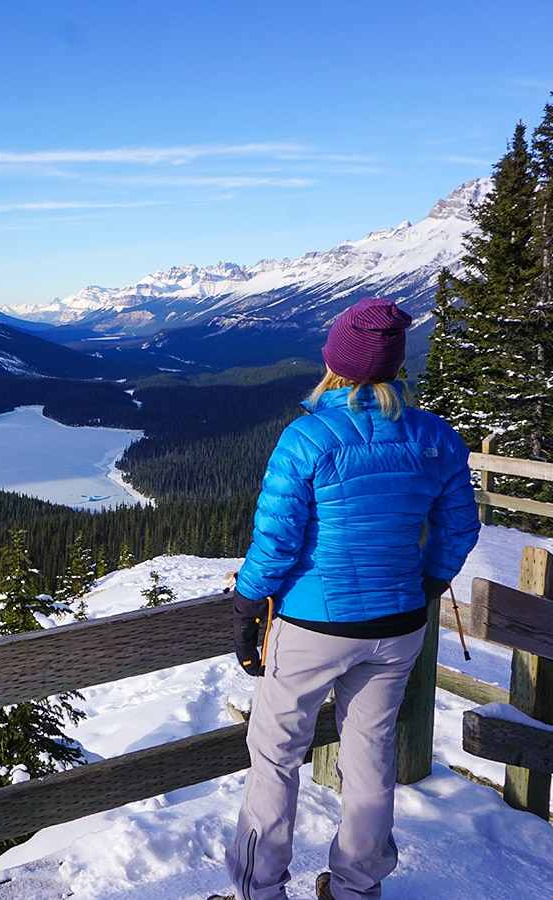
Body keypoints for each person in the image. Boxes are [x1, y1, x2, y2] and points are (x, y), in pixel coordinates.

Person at [212, 297, 481, 900]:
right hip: (400, 624)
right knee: (370, 754)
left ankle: (259, 888)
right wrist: (429, 581)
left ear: (334, 361)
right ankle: (358, 888)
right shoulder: (435, 436)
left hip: (313, 625)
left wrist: (248, 604)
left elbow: (277, 542)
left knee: (276, 755)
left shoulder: (307, 437)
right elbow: (460, 528)